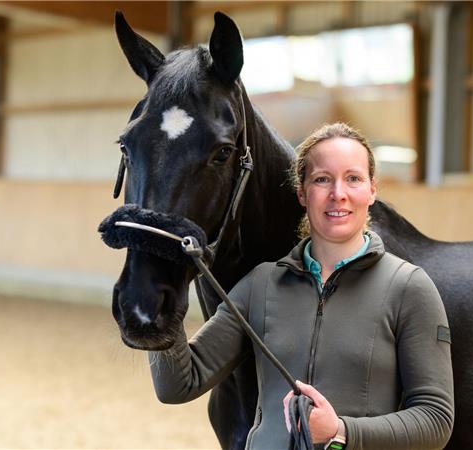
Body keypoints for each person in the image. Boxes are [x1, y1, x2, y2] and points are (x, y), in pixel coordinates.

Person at [149, 122, 454, 450]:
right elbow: (179, 385)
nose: (338, 193)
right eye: (322, 179)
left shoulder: (409, 288)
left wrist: (340, 430)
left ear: (372, 190)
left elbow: (435, 419)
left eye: (353, 178)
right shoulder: (261, 284)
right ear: (302, 192)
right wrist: (159, 306)